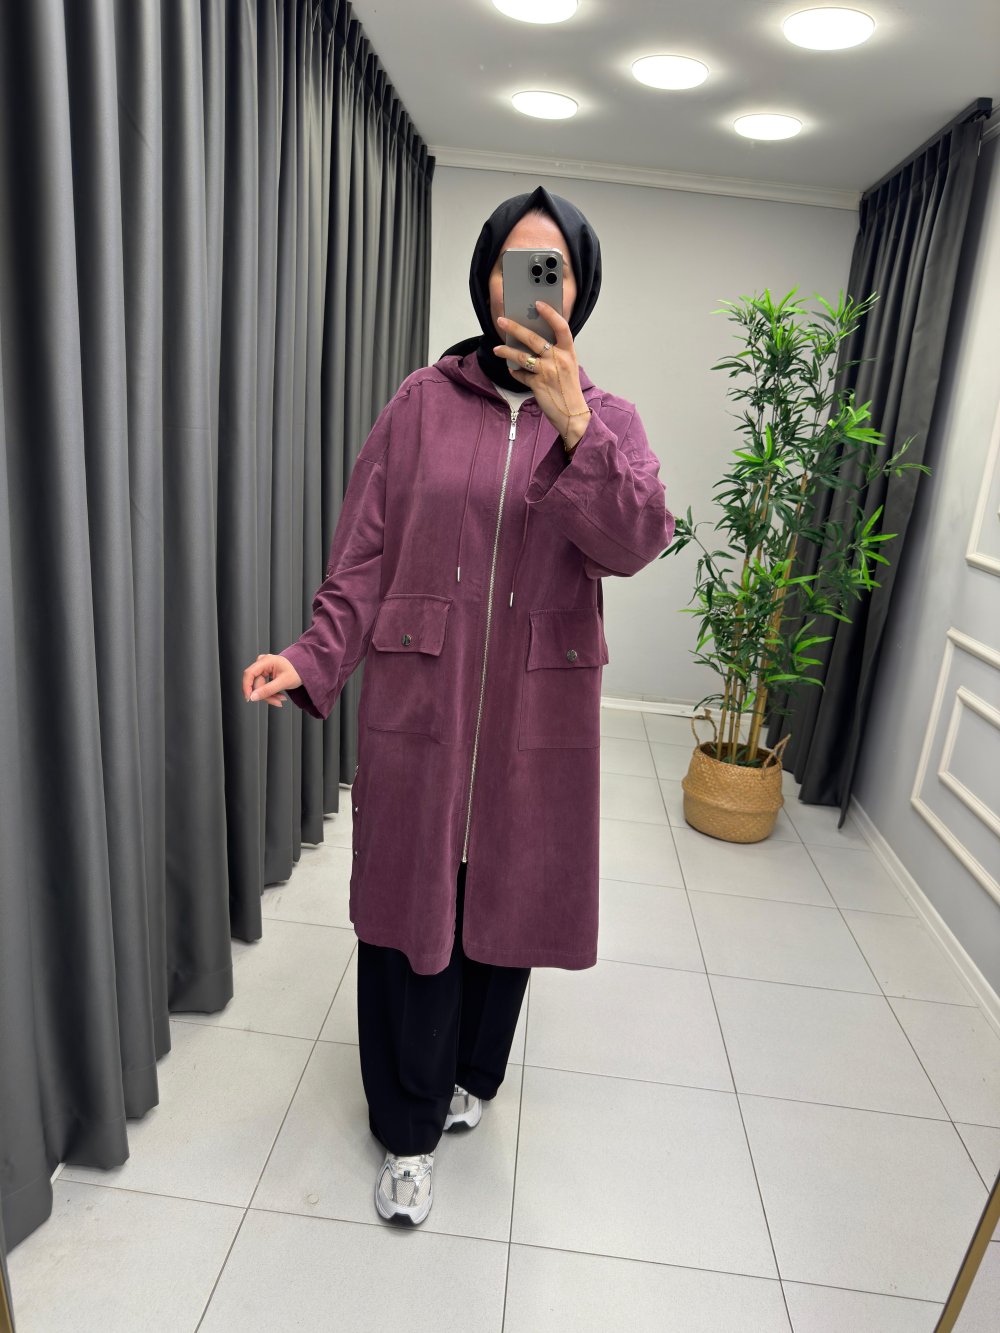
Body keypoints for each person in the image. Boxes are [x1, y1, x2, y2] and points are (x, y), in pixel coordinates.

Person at [242, 187, 674, 1227]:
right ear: (485, 279)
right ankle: (406, 1129)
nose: (531, 286)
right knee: (412, 913)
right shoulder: (421, 402)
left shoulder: (609, 421)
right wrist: (312, 656)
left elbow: (636, 540)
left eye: (552, 269)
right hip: (423, 700)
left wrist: (573, 423)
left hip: (537, 709)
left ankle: (474, 1073)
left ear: (578, 289)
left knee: (508, 900)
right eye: (513, 264)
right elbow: (365, 554)